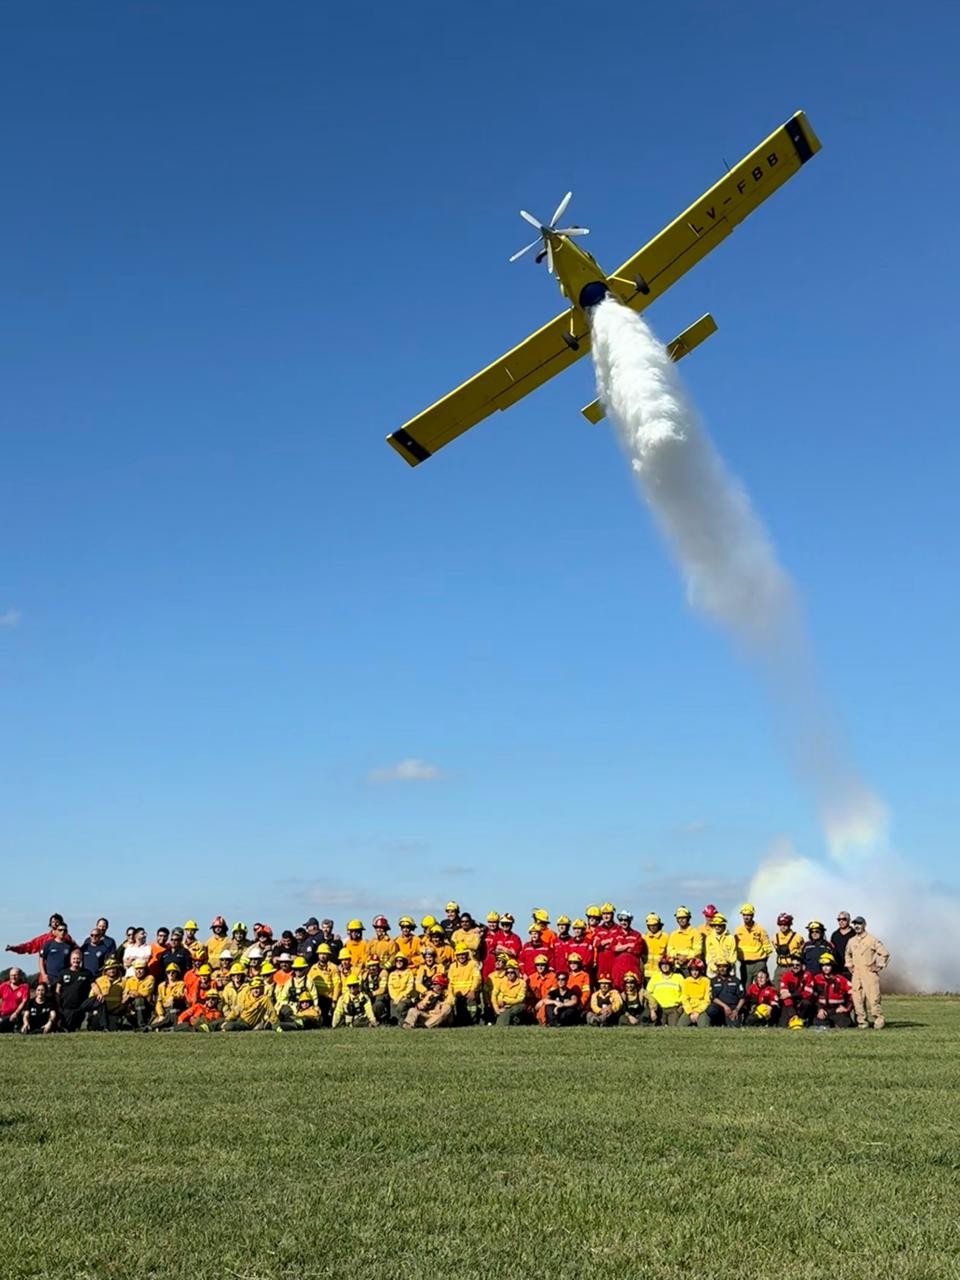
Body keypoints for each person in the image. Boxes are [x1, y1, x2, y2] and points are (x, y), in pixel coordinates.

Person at [846, 916, 890, 1030]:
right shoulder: (851, 941)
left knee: (873, 998)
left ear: (864, 925)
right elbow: (847, 954)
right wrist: (850, 965)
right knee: (857, 998)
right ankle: (862, 1022)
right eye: (855, 924)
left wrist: (878, 965)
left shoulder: (872, 940)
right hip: (856, 974)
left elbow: (884, 953)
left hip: (869, 973)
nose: (857, 926)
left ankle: (878, 1020)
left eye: (859, 924)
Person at [810, 953, 854, 1029]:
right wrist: (819, 1009)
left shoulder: (841, 979)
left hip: (837, 1010)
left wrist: (846, 1008)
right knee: (817, 1024)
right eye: (823, 966)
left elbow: (853, 993)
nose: (825, 968)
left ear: (832, 966)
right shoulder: (816, 979)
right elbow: (812, 996)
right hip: (823, 1010)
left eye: (828, 965)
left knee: (845, 1024)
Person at [56, 948, 96, 1032]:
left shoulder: (87, 973)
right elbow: (58, 990)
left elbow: (94, 985)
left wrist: (99, 993)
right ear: (70, 960)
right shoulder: (63, 973)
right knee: (67, 1028)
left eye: (78, 958)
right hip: (66, 1007)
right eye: (74, 958)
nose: (76, 960)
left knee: (75, 1027)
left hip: (80, 1007)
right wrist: (59, 1005)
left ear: (81, 959)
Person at [734, 904, 772, 988]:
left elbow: (768, 948)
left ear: (753, 915)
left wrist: (763, 962)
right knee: (745, 987)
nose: (746, 917)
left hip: (759, 963)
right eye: (744, 915)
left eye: (748, 915)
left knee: (762, 986)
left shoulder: (760, 930)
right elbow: (734, 947)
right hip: (744, 964)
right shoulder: (738, 930)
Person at [6, 913, 70, 958]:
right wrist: (14, 948)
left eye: (57, 921)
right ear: (50, 924)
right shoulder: (44, 939)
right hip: (47, 972)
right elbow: (29, 946)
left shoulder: (67, 938)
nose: (55, 924)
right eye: (53, 922)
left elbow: (76, 950)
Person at [447, 944, 482, 1025]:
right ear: (456, 956)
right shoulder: (452, 966)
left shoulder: (473, 964)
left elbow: (477, 978)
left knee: (472, 1010)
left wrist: (472, 990)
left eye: (463, 954)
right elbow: (450, 983)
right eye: (459, 955)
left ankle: (473, 1021)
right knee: (459, 1015)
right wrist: (451, 995)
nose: (461, 957)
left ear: (466, 954)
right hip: (457, 995)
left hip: (469, 993)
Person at [87, 957, 125, 1030]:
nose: (112, 970)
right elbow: (92, 997)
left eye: (114, 968)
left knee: (114, 1028)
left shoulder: (123, 981)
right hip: (100, 1012)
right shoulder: (99, 981)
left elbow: (125, 997)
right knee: (95, 1027)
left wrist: (120, 1009)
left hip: (115, 1011)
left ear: (117, 968)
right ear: (105, 970)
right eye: (109, 969)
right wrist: (94, 1010)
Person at [645, 955, 684, 1027]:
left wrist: (681, 1005)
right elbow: (648, 993)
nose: (665, 966)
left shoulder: (678, 977)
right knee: (658, 1029)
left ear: (671, 966)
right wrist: (652, 1009)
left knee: (674, 1029)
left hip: (674, 1008)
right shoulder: (655, 977)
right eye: (663, 964)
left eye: (667, 964)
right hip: (659, 1009)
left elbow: (685, 993)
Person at [610, 911, 644, 989]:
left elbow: (637, 950)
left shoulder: (636, 935)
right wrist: (628, 945)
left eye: (626, 920)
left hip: (632, 967)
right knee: (618, 989)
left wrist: (621, 947)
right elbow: (614, 949)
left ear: (630, 921)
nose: (623, 922)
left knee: (633, 989)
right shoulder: (615, 934)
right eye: (621, 920)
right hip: (618, 968)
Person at [705, 960, 744, 1027]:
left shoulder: (736, 980)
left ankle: (729, 1021)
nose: (722, 969)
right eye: (719, 967)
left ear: (728, 967)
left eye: (724, 966)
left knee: (735, 1026)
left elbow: (742, 998)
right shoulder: (713, 981)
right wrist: (725, 1006)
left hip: (733, 1008)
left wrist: (736, 1010)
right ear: (717, 968)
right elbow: (712, 997)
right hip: (720, 1007)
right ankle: (717, 1022)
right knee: (711, 1009)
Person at [778, 956, 814, 1025]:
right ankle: (794, 1017)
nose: (795, 967)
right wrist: (793, 1013)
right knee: (783, 1024)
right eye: (792, 965)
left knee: (806, 1003)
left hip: (802, 1002)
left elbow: (808, 993)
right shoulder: (786, 976)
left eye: (797, 965)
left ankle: (803, 1019)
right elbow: (784, 995)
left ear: (802, 966)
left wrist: (791, 995)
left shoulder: (808, 975)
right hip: (790, 1003)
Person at [122, 958, 156, 1030]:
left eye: (141, 969)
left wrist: (132, 993)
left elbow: (145, 992)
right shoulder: (130, 980)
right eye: (137, 969)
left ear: (145, 970)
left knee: (139, 1000)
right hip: (131, 1005)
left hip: (146, 1005)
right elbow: (125, 994)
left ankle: (142, 1025)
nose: (139, 971)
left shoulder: (150, 978)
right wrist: (128, 995)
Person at [490, 958, 527, 1025]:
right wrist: (496, 1009)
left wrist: (506, 1001)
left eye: (512, 972)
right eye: (508, 972)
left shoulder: (522, 983)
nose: (509, 974)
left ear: (516, 973)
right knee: (505, 1012)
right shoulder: (501, 981)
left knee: (511, 1010)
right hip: (502, 1006)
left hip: (517, 1005)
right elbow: (494, 994)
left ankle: (505, 1022)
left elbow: (520, 999)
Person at [151, 964, 187, 1029]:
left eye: (173, 972)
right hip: (164, 1010)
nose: (171, 974)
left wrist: (173, 997)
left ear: (177, 974)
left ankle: (157, 1026)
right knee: (156, 1021)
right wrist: (161, 1014)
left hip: (175, 1010)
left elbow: (180, 994)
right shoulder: (161, 986)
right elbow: (159, 1002)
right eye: (168, 972)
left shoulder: (181, 984)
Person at [39, 922, 74, 987]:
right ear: (56, 931)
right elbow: (41, 960)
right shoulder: (48, 944)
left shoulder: (70, 945)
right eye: (60, 930)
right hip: (50, 978)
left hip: (65, 978)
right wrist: (43, 975)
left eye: (65, 930)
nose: (62, 932)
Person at [668, 907, 703, 971]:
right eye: (679, 918)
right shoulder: (673, 934)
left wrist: (686, 957)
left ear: (688, 918)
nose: (681, 920)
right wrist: (678, 956)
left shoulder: (695, 932)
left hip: (691, 967)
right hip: (676, 966)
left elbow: (698, 951)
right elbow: (669, 951)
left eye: (683, 918)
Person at [678, 957, 711, 1026]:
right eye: (692, 970)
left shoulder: (706, 981)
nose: (695, 972)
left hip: (701, 1010)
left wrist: (698, 1011)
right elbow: (684, 998)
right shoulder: (686, 981)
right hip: (689, 1009)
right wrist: (690, 1012)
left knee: (703, 1026)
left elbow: (707, 999)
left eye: (697, 970)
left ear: (700, 970)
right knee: (680, 1026)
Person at [386, 953, 417, 1025]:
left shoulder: (409, 973)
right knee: (393, 1007)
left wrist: (400, 997)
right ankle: (395, 1021)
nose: (399, 962)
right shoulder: (392, 974)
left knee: (401, 1006)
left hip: (405, 997)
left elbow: (410, 987)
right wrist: (395, 998)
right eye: (397, 960)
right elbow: (390, 988)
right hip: (394, 998)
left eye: (401, 960)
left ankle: (403, 1022)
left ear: (404, 962)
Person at [772, 913, 803, 980]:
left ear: (789, 924)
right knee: (776, 987)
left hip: (793, 967)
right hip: (779, 967)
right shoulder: (775, 937)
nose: (783, 926)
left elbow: (802, 951)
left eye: (785, 924)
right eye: (780, 924)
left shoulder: (798, 937)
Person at [527, 954, 555, 1024]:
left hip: (548, 1002)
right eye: (538, 965)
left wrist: (542, 1002)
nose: (540, 967)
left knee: (543, 1011)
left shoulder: (553, 977)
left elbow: (552, 994)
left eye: (542, 964)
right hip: (534, 1003)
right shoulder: (531, 978)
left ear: (546, 965)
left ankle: (543, 1022)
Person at [0, 967, 29, 1032]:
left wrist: (16, 1013)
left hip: (17, 1015)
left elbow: (24, 1001)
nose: (13, 977)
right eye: (12, 975)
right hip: (3, 1014)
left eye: (16, 975)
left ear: (20, 976)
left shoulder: (24, 986)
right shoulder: (4, 985)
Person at [642, 914, 669, 982]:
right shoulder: (643, 937)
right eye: (650, 925)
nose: (653, 927)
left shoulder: (666, 937)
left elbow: (669, 955)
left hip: (661, 974)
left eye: (655, 925)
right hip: (646, 975)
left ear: (658, 924)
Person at [830, 912, 855, 976]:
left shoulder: (855, 934)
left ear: (849, 920)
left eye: (844, 919)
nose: (841, 921)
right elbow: (832, 950)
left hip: (852, 969)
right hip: (837, 969)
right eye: (839, 919)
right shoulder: (835, 934)